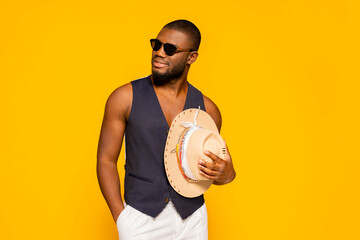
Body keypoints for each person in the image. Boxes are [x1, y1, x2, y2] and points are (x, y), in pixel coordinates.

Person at [97, 19, 236, 240]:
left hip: (192, 219)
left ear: (191, 57)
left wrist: (228, 174)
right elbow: (105, 160)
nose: (159, 53)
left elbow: (208, 171)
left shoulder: (208, 109)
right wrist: (121, 217)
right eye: (156, 45)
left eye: (169, 49)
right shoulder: (124, 98)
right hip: (141, 217)